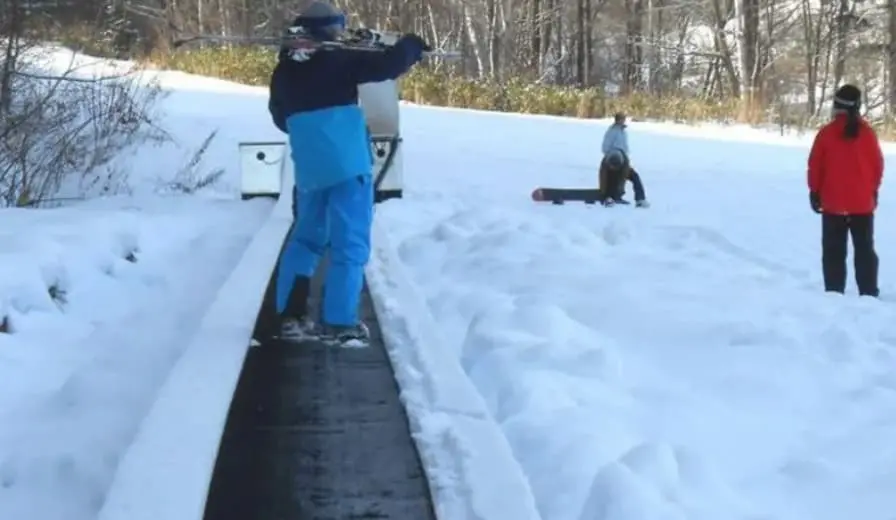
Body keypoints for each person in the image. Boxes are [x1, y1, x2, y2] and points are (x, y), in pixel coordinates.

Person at [268, 1, 430, 344]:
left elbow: (281, 118)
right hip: (348, 167)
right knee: (349, 244)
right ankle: (340, 323)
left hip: (310, 169)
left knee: (307, 239)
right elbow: (388, 65)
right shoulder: (339, 59)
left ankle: (291, 316)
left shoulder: (284, 69)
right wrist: (412, 45)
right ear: (328, 28)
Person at [807, 84, 884, 297]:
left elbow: (815, 165)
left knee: (833, 252)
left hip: (833, 204)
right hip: (862, 204)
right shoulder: (868, 134)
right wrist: (872, 190)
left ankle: (834, 293)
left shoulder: (826, 133)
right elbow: (877, 166)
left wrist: (815, 191)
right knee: (865, 250)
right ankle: (868, 293)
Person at [598, 112, 648, 207]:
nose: (623, 121)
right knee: (611, 177)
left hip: (623, 160)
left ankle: (640, 199)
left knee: (634, 176)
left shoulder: (623, 132)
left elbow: (625, 147)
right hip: (613, 159)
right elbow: (605, 147)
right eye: (621, 119)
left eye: (623, 119)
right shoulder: (611, 132)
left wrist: (625, 157)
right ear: (617, 120)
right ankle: (609, 198)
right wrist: (612, 156)